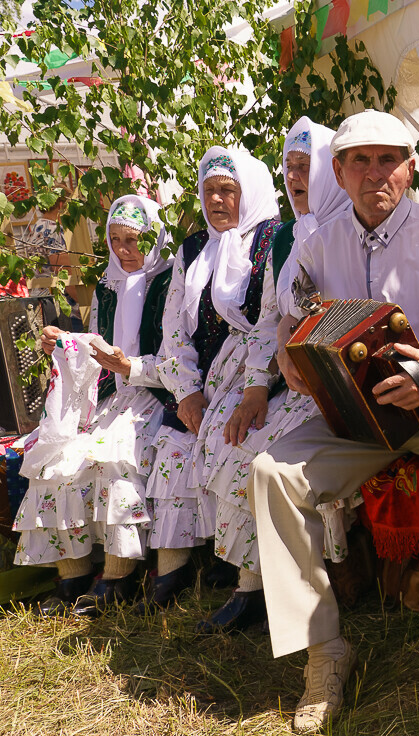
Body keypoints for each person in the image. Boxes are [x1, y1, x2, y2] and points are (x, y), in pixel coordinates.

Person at [250, 109, 419, 733]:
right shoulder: (315, 242)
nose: (375, 173)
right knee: (270, 472)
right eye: (359, 161)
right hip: (354, 414)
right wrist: (288, 347)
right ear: (337, 171)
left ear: (410, 166)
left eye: (388, 158)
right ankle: (324, 649)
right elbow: (288, 312)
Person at [203, 118, 352, 591]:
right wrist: (254, 390)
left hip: (341, 384)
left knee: (267, 456)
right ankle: (254, 583)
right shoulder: (287, 237)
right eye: (288, 166)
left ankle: (311, 579)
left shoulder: (352, 229)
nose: (293, 177)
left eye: (305, 166)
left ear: (330, 170)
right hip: (293, 383)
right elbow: (269, 318)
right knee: (236, 437)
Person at [139, 147, 283, 623]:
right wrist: (186, 393)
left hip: (262, 379)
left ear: (251, 192)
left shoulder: (275, 240)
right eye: (210, 191)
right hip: (206, 385)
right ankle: (185, 570)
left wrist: (251, 386)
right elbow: (172, 333)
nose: (218, 200)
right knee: (174, 448)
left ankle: (253, 587)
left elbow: (273, 320)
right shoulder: (192, 250)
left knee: (235, 444)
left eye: (228, 190)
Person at [15, 194, 173, 615]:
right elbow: (96, 348)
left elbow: (183, 361)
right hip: (112, 397)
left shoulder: (171, 283)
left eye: (135, 240)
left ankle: (120, 577)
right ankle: (75, 575)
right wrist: (65, 343)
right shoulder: (106, 286)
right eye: (116, 240)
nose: (125, 250)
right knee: (56, 459)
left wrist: (130, 366)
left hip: (154, 396)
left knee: (115, 460)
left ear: (155, 240)